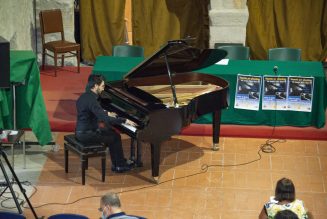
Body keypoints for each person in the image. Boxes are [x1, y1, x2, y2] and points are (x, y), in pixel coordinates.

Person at [75, 74, 137, 173]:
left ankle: (118, 161)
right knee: (115, 137)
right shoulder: (93, 100)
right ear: (95, 86)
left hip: (81, 131)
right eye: (102, 86)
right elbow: (106, 120)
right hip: (87, 134)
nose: (103, 89)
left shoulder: (84, 96)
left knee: (110, 132)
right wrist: (124, 120)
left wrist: (107, 113)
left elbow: (91, 111)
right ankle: (120, 166)